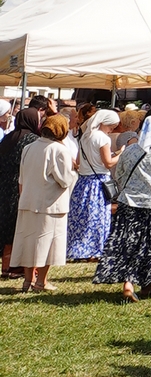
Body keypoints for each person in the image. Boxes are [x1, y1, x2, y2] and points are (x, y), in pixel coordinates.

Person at [94, 114, 151, 300]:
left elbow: (119, 174)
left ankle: (128, 284)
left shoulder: (130, 151)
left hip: (129, 204)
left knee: (130, 244)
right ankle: (147, 285)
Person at [14, 113, 78, 291]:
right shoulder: (60, 150)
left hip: (27, 200)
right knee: (47, 245)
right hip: (51, 204)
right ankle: (41, 281)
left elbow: (21, 178)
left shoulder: (28, 147)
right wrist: (74, 170)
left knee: (28, 242)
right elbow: (65, 180)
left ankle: (27, 281)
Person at [69, 105, 119, 261]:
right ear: (104, 123)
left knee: (82, 217)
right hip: (98, 182)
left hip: (83, 182)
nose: (111, 129)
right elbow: (109, 163)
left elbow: (78, 161)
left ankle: (78, 248)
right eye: (111, 126)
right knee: (97, 218)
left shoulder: (85, 136)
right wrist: (121, 154)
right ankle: (95, 250)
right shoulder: (102, 138)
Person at [0, 106, 42, 276]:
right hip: (22, 187)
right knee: (21, 227)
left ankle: (6, 265)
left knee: (7, 227)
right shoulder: (32, 140)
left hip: (3, 187)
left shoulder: (8, 137)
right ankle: (18, 267)